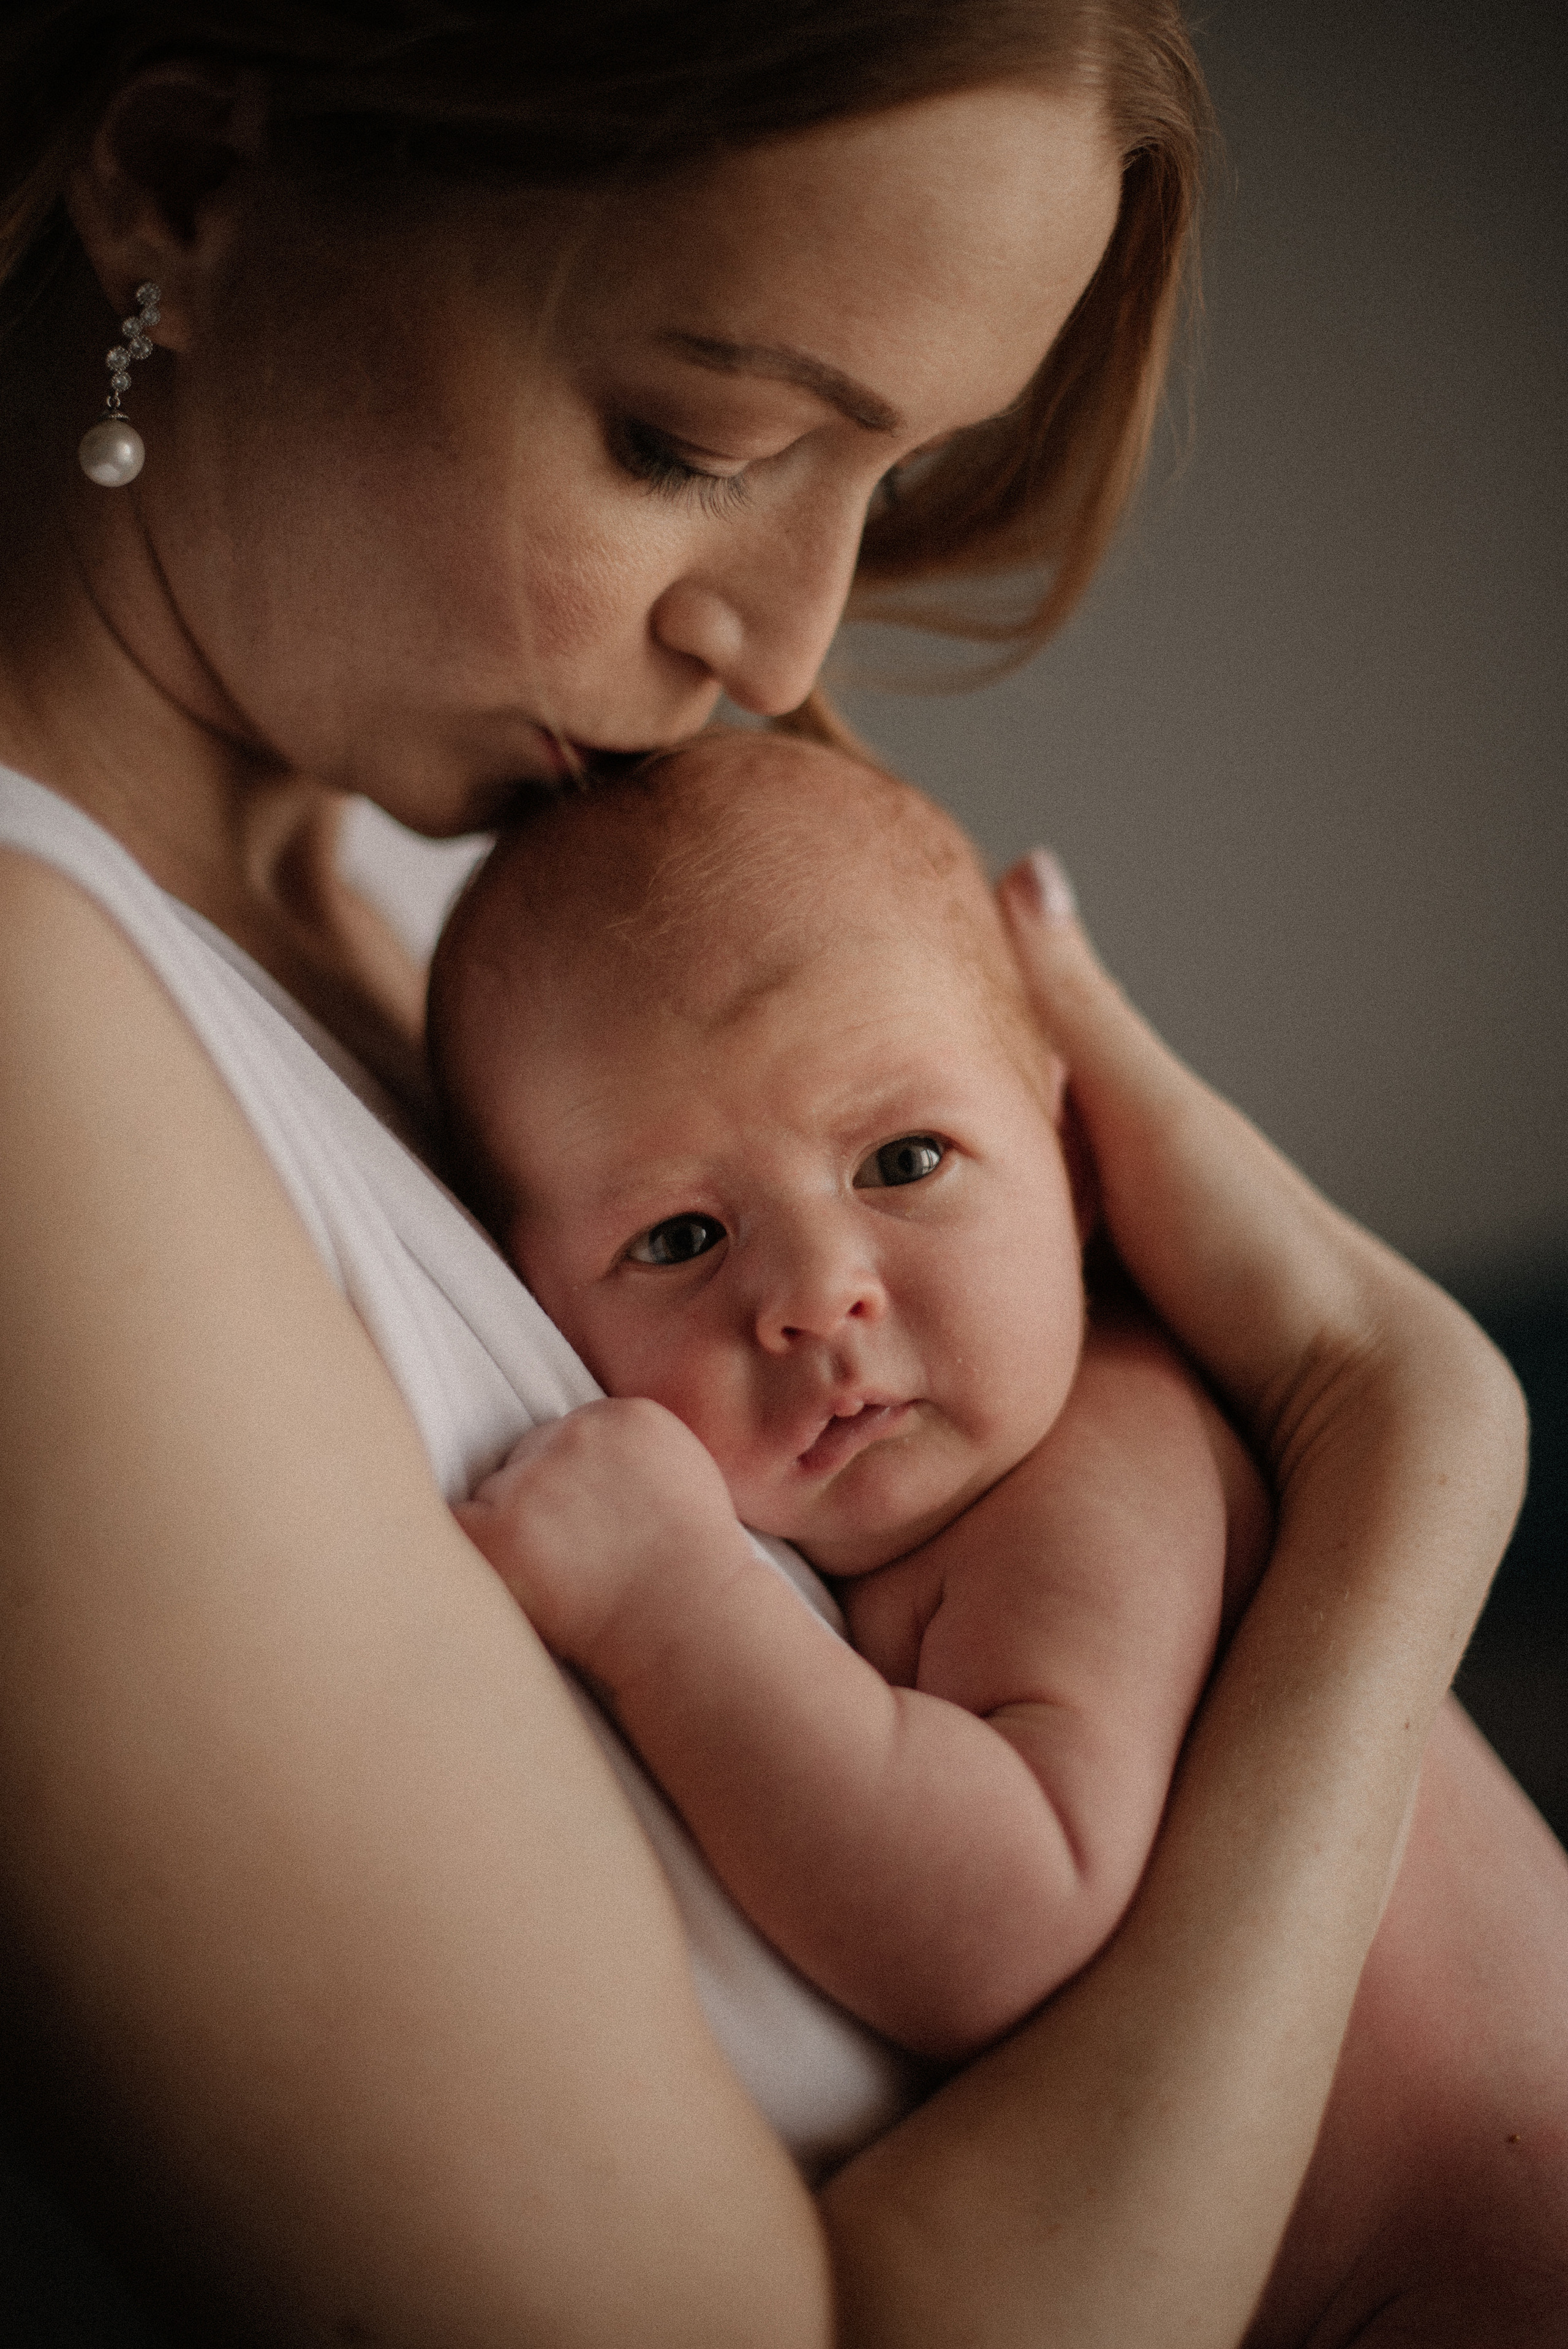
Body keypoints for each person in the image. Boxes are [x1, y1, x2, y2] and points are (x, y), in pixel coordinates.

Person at [0, 6, 1562, 2344]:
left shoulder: (484, 899)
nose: (783, 642)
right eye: (690, 438)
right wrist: (1407, 1462)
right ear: (183, 186)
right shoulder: (41, 1058)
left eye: (892, 473)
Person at [433, 730, 1275, 2065]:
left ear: (1071, 1163)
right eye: (678, 1240)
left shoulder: (1099, 1474)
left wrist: (668, 1610)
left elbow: (1003, 1923)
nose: (817, 1297)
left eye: (903, 1157)